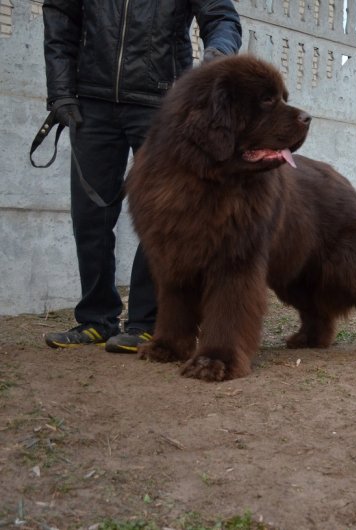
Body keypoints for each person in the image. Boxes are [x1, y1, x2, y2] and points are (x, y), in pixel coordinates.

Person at [41, 0, 242, 353]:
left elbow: (221, 17)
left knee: (163, 217)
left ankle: (147, 322)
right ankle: (96, 318)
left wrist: (218, 55)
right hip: (92, 100)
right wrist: (59, 91)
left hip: (161, 102)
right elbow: (60, 17)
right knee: (89, 217)